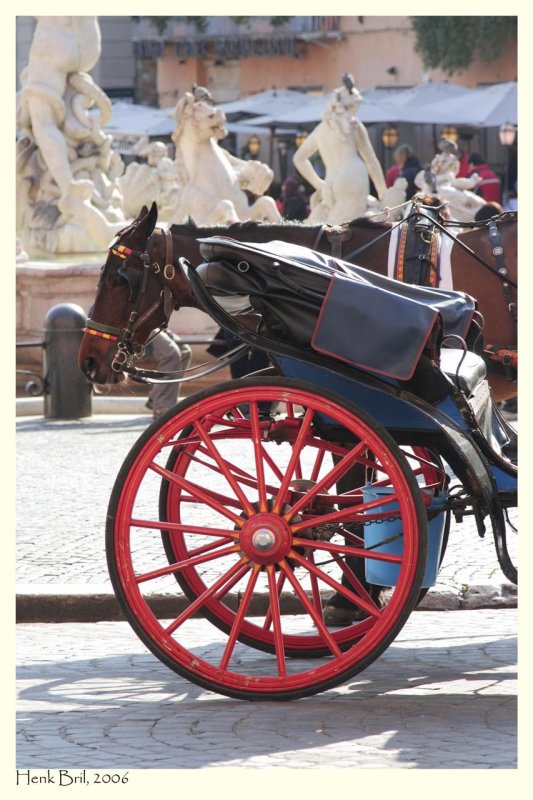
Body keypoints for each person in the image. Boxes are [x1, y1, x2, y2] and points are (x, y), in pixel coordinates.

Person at [292, 73, 386, 224]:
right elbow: (371, 161)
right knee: (348, 232)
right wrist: (383, 194)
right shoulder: (354, 126)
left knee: (329, 229)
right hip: (353, 177)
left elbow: (298, 158)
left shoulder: (321, 129)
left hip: (331, 182)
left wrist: (319, 184)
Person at [144, 330, 192, 419]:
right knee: (170, 354)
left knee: (184, 351)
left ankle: (155, 397)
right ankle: (162, 408)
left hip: (156, 323)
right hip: (136, 323)